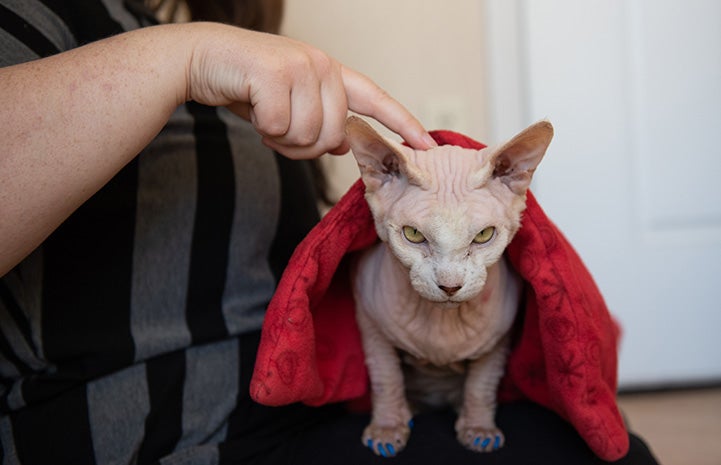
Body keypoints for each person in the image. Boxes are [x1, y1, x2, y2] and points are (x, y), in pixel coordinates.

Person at [0, 1, 659, 464]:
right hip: (169, 434)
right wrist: (184, 56)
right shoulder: (53, 20)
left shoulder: (205, 34)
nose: (452, 272)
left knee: (617, 446)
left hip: (302, 411)